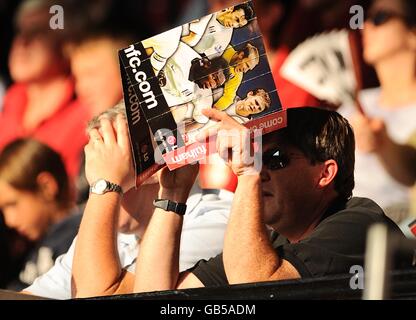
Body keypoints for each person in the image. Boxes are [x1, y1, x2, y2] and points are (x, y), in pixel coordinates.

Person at [132, 107, 412, 292]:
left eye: (275, 159)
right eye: (255, 155)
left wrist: (246, 172)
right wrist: (172, 196)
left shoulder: (360, 224)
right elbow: (155, 296)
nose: (260, 169)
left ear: (325, 173)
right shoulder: (270, 244)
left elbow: (255, 290)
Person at [23, 103, 233, 299]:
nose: (94, 184)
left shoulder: (216, 217)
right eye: (94, 172)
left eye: (110, 167)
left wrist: (106, 185)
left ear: (154, 169)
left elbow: (96, 296)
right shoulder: (112, 233)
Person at [338, 0, 416, 223]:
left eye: (380, 17)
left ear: (413, 34)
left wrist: (383, 145)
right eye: (364, 18)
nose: (365, 26)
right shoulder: (354, 104)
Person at [0, 0, 89, 178]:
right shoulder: (11, 99)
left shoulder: (88, 110)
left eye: (37, 33)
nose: (22, 43)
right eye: (20, 32)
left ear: (67, 44)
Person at [0, 139, 82, 291]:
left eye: (12, 204)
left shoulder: (81, 233)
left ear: (46, 187)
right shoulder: (28, 246)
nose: (9, 221)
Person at [182, 2, 255, 58]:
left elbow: (207, 57)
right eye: (236, 19)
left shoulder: (225, 38)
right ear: (231, 8)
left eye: (239, 26)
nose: (234, 25)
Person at [213, 43, 260, 111]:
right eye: (247, 65)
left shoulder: (237, 76)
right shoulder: (224, 47)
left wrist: (215, 110)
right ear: (241, 55)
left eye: (248, 69)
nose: (245, 71)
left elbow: (228, 97)